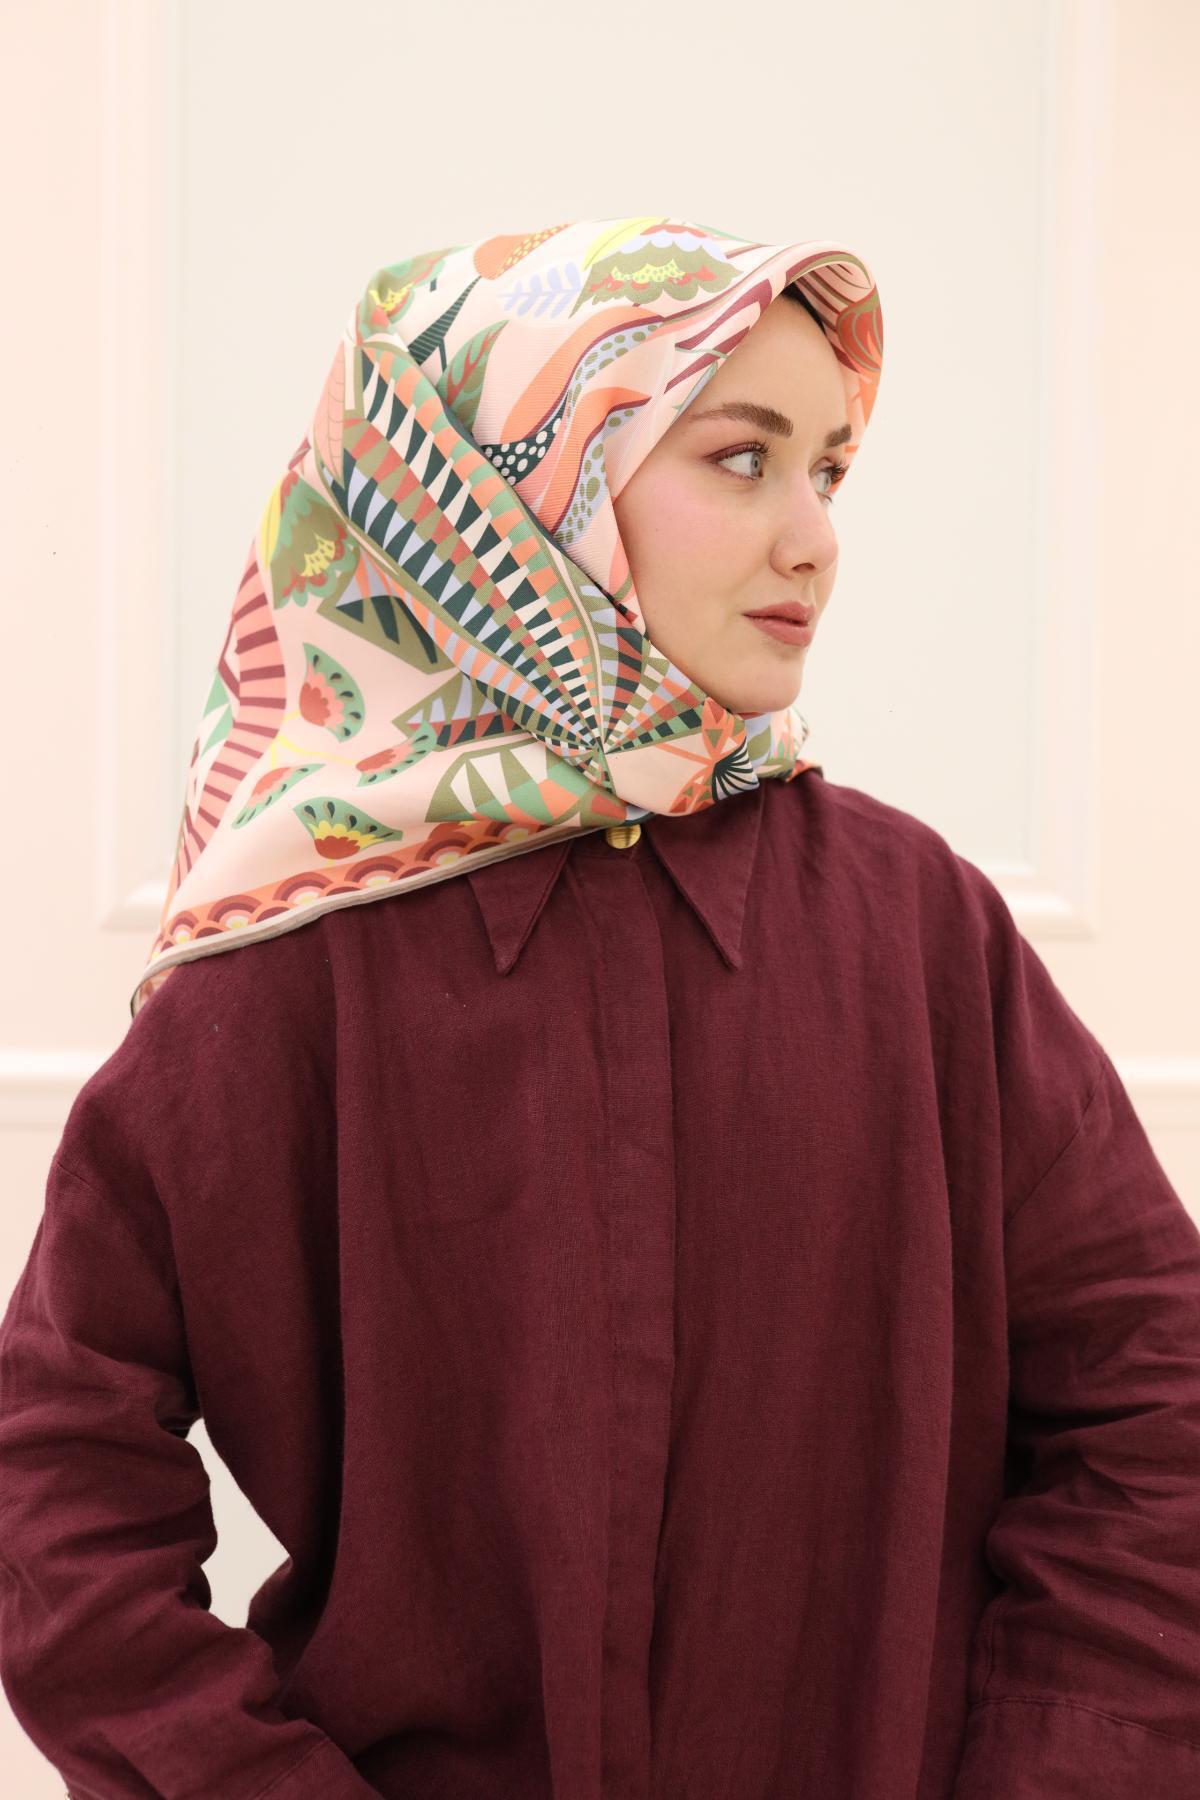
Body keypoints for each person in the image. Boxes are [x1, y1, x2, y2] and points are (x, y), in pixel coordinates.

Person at [0, 215, 1197, 1800]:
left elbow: (1155, 1405)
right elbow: (55, 1476)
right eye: (743, 458)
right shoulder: (288, 966)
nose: (816, 538)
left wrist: (1057, 1773)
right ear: (521, 484)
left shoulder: (920, 931)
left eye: (830, 470)